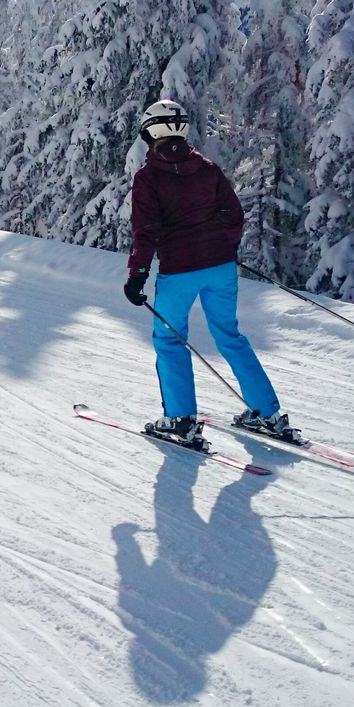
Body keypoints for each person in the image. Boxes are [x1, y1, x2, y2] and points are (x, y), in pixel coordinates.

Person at [122, 99, 293, 448]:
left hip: (180, 272)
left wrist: (138, 274)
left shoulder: (149, 177)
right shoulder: (206, 168)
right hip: (220, 269)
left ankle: (181, 420)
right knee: (230, 336)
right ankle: (267, 413)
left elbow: (147, 231)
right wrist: (224, 248)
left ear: (150, 131)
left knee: (170, 339)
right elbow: (233, 214)